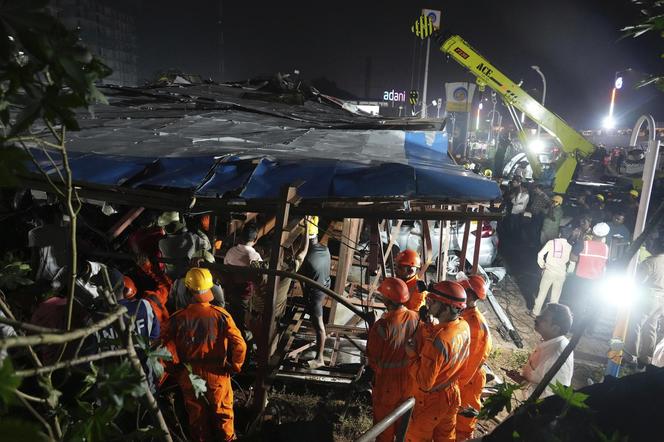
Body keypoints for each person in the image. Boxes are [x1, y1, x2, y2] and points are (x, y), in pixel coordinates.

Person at [162, 267, 246, 442]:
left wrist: (173, 369)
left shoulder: (177, 318)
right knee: (223, 416)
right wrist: (235, 366)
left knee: (197, 419)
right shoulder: (222, 316)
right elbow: (240, 344)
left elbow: (158, 347)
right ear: (210, 288)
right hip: (218, 374)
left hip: (190, 375)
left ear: (188, 289)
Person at [405, 281, 470, 442]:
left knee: (416, 438)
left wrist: (412, 355)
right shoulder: (463, 326)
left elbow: (424, 383)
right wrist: (429, 327)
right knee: (446, 438)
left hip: (430, 401)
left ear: (448, 307)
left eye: (432, 302)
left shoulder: (438, 340)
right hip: (451, 394)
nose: (428, 304)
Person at [366, 277, 419, 442]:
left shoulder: (382, 326)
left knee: (384, 428)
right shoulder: (416, 317)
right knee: (403, 423)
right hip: (410, 380)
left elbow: (372, 358)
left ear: (387, 299)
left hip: (387, 384)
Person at [506, 303, 574, 398]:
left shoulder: (556, 356)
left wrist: (522, 382)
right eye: (540, 315)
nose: (537, 317)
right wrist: (521, 379)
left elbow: (547, 396)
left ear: (555, 328)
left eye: (543, 318)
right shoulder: (550, 340)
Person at [456, 275, 492, 442]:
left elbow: (471, 363)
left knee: (463, 424)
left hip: (468, 380)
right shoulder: (465, 315)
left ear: (470, 296)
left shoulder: (475, 325)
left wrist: (453, 386)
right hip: (465, 377)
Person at [625, 241, 664, 367]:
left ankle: (631, 355)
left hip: (649, 296)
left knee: (635, 324)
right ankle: (646, 358)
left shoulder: (651, 262)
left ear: (657, 247)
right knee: (651, 327)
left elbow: (638, 280)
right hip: (661, 299)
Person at [299, 228, 331, 368]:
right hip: (325, 286)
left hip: (315, 294)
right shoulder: (325, 249)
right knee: (318, 323)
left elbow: (300, 278)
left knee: (319, 326)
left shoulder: (308, 259)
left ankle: (319, 359)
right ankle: (319, 354)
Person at [223, 224, 263, 339]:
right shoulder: (255, 256)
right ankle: (241, 336)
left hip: (230, 291)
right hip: (245, 294)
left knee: (235, 314)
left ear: (241, 237)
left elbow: (226, 268)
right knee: (241, 317)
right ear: (255, 239)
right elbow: (260, 277)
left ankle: (235, 331)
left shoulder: (231, 252)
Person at [568, 222, 609, 320]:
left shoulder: (584, 243)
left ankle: (574, 326)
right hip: (596, 281)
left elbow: (572, 257)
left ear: (593, 232)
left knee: (578, 304)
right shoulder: (606, 248)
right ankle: (584, 328)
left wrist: (583, 259)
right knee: (590, 305)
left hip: (581, 278)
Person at [158, 212, 212, 279]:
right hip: (190, 277)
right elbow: (208, 246)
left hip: (170, 277)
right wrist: (197, 230)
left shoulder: (162, 243)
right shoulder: (193, 238)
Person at [533, 236, 572, 316]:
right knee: (555, 297)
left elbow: (540, 254)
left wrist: (542, 265)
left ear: (560, 234)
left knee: (542, 293)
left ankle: (535, 312)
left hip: (549, 271)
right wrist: (568, 271)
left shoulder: (551, 242)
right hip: (561, 274)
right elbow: (572, 262)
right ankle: (550, 317)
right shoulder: (569, 246)